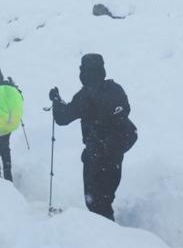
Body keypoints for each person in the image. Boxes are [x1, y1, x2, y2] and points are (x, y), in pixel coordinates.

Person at [49, 53, 138, 221]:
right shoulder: (115, 88)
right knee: (106, 199)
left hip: (97, 156)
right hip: (116, 153)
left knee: (96, 203)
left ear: (84, 72)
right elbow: (125, 110)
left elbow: (63, 118)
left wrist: (56, 100)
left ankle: (106, 233)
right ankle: (110, 229)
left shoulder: (85, 95)